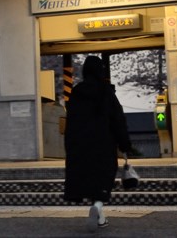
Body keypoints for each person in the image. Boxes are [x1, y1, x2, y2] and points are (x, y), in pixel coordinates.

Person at [63, 55, 133, 232]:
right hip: (103, 144)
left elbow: (70, 121)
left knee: (87, 178)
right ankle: (99, 206)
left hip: (80, 145)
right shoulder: (105, 92)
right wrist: (124, 144)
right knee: (103, 177)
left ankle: (100, 217)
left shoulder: (77, 92)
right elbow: (117, 119)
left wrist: (70, 146)